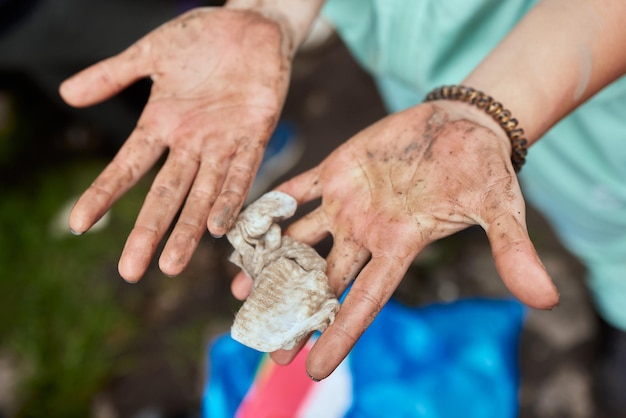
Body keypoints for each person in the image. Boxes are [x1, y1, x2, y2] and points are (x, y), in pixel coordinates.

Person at [60, 0, 626, 410]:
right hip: (428, 86)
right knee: (551, 211)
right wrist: (269, 13)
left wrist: (485, 112)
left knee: (612, 232)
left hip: (585, 81)